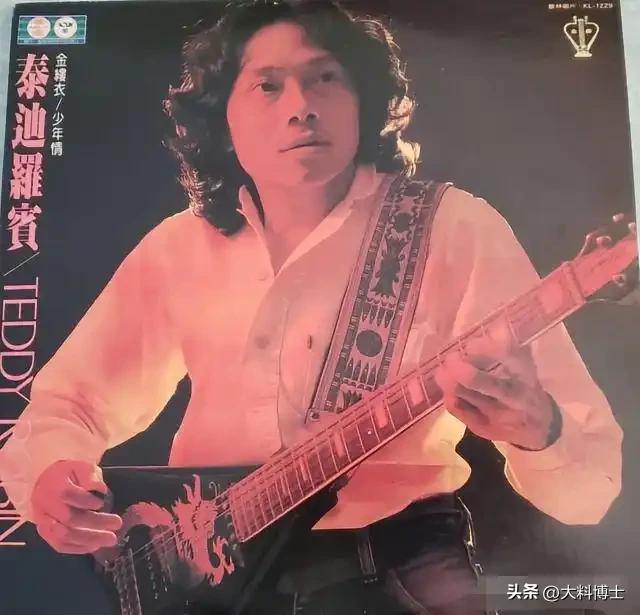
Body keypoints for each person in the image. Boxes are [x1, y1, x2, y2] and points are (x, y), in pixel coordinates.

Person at [0, 1, 623, 613]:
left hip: (399, 569)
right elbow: (68, 405)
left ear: (363, 101)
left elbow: (591, 491)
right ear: (223, 118)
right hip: (213, 584)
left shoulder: (453, 226)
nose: (301, 106)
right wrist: (53, 477)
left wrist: (541, 431)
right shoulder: (179, 246)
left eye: (325, 77)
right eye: (267, 86)